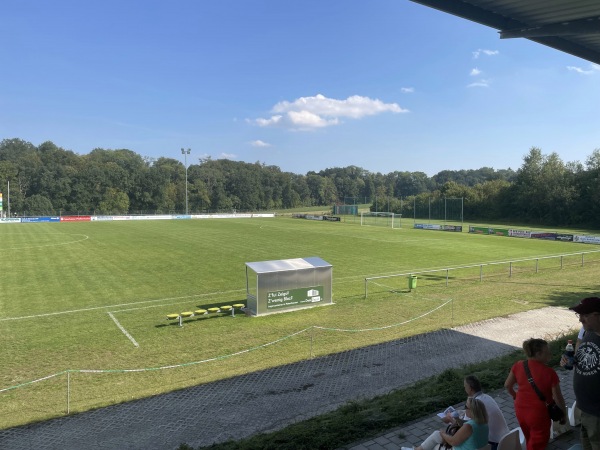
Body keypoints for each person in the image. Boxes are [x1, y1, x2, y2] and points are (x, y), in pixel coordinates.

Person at [504, 338, 567, 450]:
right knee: (538, 444)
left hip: (520, 410)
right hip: (538, 414)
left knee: (529, 438)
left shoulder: (518, 365)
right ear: (538, 354)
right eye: (547, 353)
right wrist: (563, 414)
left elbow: (507, 386)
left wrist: (515, 396)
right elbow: (558, 398)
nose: (550, 355)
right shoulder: (549, 373)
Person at [564, 297, 600, 450]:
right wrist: (571, 361)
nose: (580, 320)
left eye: (585, 315)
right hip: (583, 407)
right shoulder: (588, 332)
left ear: (598, 315)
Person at [401, 397, 489, 450]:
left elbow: (453, 441)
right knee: (437, 435)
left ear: (472, 410)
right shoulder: (483, 423)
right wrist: (456, 420)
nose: (465, 408)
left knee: (436, 445)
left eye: (466, 406)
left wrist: (443, 434)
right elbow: (466, 430)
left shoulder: (469, 426)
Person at [463, 375, 509, 450]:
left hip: (495, 444)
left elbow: (465, 427)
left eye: (465, 386)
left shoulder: (475, 403)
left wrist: (452, 420)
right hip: (507, 438)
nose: (464, 388)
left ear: (470, 388)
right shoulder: (487, 397)